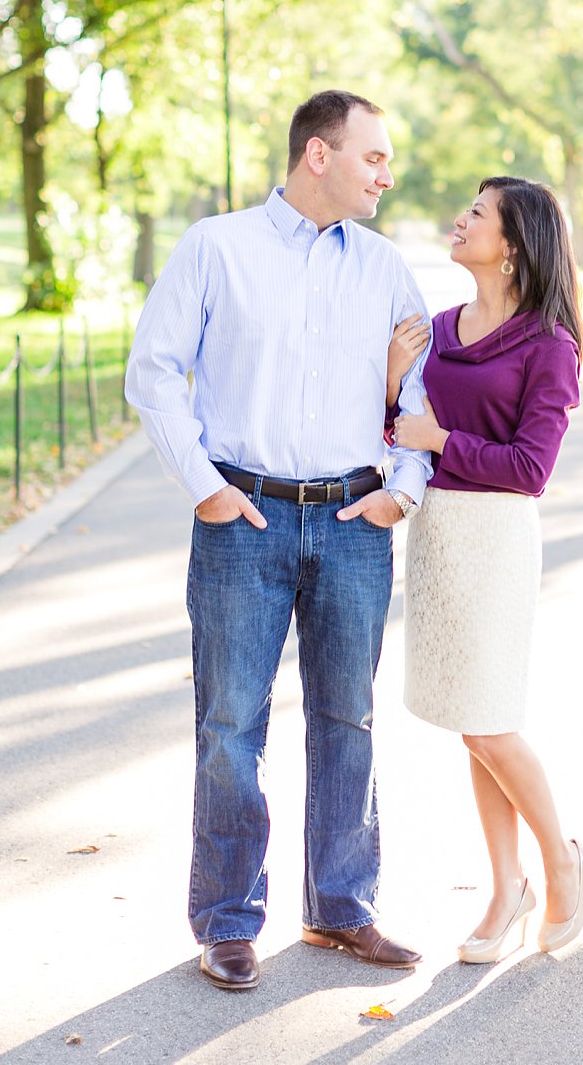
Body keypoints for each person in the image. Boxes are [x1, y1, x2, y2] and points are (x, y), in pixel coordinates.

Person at [126, 90, 432, 992]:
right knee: (230, 728)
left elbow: (418, 397)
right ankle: (227, 920)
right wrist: (207, 489)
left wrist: (400, 497)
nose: (386, 172)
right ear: (317, 155)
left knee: (349, 719)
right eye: (373, 156)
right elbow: (153, 373)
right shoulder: (215, 248)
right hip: (243, 524)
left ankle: (340, 907)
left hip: (351, 525)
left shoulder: (384, 268)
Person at [384, 176, 583, 964]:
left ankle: (562, 864)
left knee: (488, 720)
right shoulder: (437, 329)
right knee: (473, 726)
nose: (460, 220)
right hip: (438, 535)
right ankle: (507, 890)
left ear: (511, 245)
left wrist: (439, 441)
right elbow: (401, 427)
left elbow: (531, 467)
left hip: (497, 538)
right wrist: (391, 376)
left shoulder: (549, 346)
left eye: (477, 214)